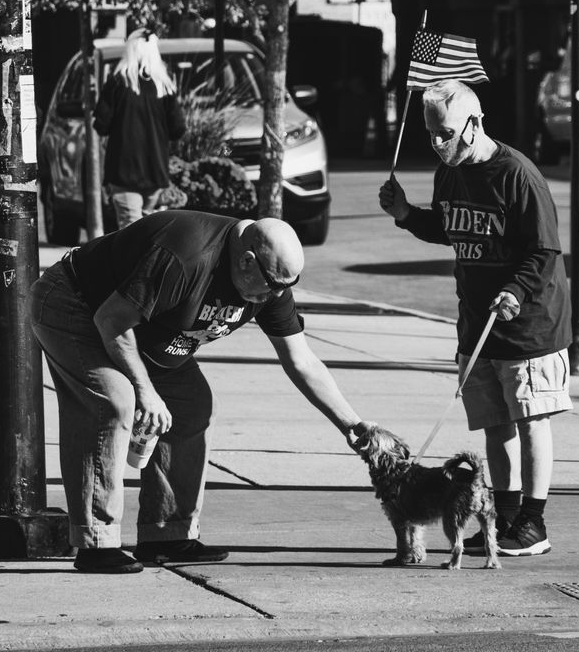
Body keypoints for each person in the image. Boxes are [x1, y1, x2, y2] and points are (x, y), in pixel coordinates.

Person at [29, 211, 369, 573]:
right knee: (115, 402)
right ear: (247, 260)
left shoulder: (272, 283)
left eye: (287, 285)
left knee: (192, 406)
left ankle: (167, 535)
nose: (275, 295)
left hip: (143, 332)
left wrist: (351, 424)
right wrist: (144, 391)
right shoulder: (185, 256)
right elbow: (111, 321)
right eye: (271, 284)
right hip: (77, 305)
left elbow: (300, 360)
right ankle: (96, 542)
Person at [379, 80, 572, 558]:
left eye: (445, 132)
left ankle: (532, 522)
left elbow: (544, 249)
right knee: (495, 424)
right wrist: (406, 215)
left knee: (530, 419)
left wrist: (513, 289)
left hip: (529, 323)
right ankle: (503, 515)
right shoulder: (450, 173)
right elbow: (448, 228)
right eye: (430, 134)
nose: (437, 143)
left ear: (474, 122)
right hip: (476, 324)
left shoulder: (518, 175)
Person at [93, 27, 186, 229]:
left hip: (123, 172)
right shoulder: (164, 86)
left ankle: (133, 261)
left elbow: (101, 124)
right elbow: (178, 128)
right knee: (147, 229)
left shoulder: (117, 83)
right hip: (155, 171)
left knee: (130, 228)